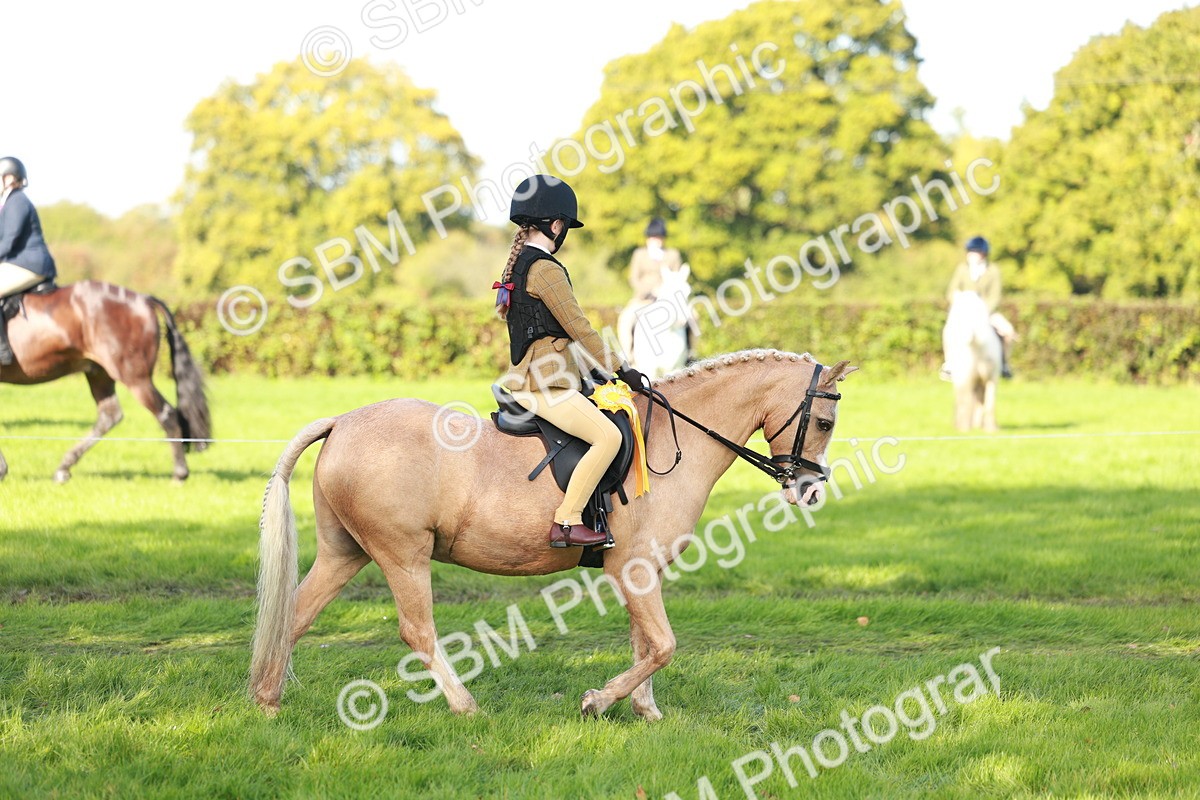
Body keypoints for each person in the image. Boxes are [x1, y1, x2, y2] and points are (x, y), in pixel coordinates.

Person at [495, 175, 648, 549]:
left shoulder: (518, 264)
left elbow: (551, 336)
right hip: (545, 385)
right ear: (557, 224)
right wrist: (620, 366)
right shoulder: (545, 269)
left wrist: (594, 371)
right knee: (608, 436)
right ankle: (567, 520)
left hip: (536, 377)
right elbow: (579, 327)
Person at [0, 156, 57, 366]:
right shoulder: (7, 203)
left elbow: (8, 242)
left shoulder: (17, 201)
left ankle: (2, 349)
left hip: (30, 264)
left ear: (9, 178)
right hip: (18, 262)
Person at [945, 236, 1014, 379]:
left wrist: (983, 311)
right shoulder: (962, 269)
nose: (972, 255)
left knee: (1008, 332)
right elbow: (952, 291)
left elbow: (995, 296)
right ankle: (949, 365)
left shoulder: (993, 270)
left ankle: (1004, 365)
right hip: (963, 312)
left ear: (983, 254)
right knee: (948, 331)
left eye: (976, 252)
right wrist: (958, 302)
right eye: (970, 252)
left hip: (986, 312)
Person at [628, 217, 684, 300]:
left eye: (658, 237)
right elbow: (634, 278)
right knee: (627, 313)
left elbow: (677, 278)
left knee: (691, 312)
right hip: (644, 297)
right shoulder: (639, 254)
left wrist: (663, 290)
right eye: (652, 237)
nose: (655, 240)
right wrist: (648, 291)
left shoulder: (673, 254)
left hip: (667, 296)